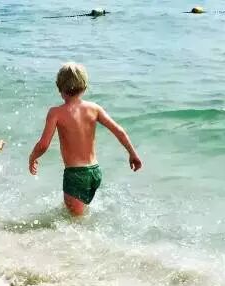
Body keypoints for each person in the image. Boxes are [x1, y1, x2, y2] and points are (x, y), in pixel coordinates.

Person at [29, 62, 142, 216]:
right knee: (80, 214)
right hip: (95, 172)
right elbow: (119, 131)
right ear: (84, 86)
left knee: (75, 221)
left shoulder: (56, 112)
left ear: (59, 87)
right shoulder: (94, 108)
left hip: (76, 174)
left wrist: (32, 157)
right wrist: (133, 154)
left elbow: (43, 144)